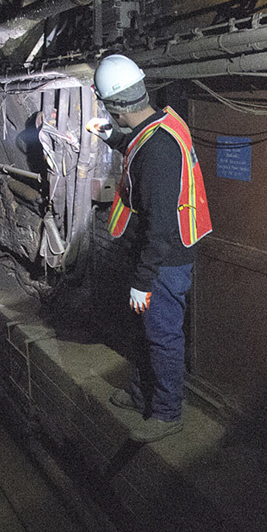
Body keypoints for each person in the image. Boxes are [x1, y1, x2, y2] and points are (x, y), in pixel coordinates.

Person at [88, 54, 212, 442]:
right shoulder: (159, 123)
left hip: (162, 263)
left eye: (109, 112)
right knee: (145, 332)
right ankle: (143, 394)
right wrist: (109, 137)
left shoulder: (159, 152)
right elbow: (136, 146)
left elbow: (159, 227)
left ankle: (167, 412)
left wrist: (142, 280)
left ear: (117, 108)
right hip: (155, 257)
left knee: (163, 335)